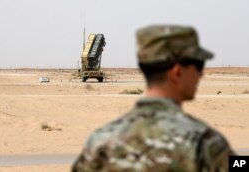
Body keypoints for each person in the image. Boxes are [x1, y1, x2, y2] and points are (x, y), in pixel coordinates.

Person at [72, 25, 235, 172]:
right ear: (177, 72)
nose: (201, 74)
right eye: (199, 66)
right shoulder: (204, 143)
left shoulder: (101, 142)